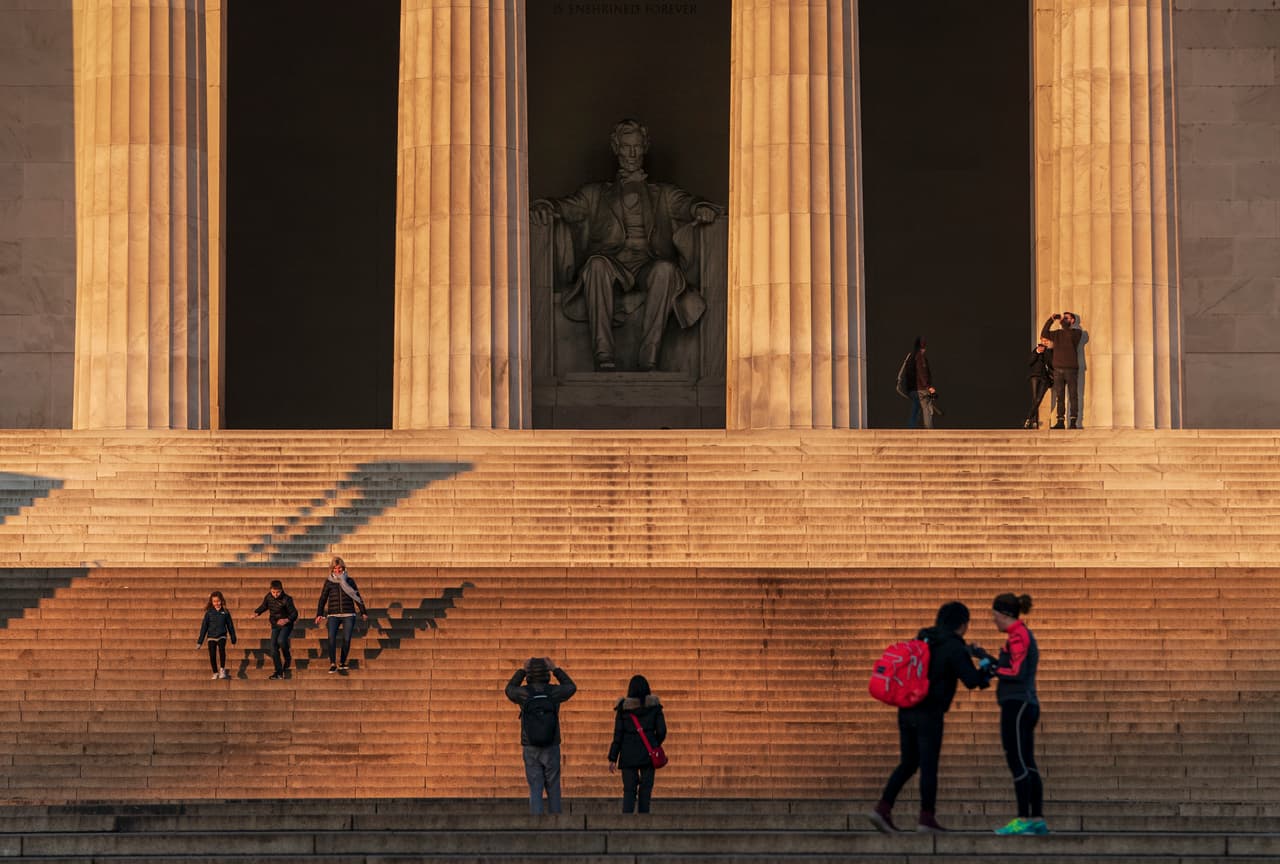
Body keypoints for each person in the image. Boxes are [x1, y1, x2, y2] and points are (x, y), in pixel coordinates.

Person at [530, 118, 722, 371]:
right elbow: (567, 206)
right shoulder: (595, 194)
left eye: (637, 147)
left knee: (666, 270)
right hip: (612, 263)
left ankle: (649, 356)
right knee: (595, 265)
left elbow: (687, 204)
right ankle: (603, 353)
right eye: (626, 147)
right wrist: (547, 206)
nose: (632, 153)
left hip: (647, 263)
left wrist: (701, 208)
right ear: (616, 148)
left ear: (644, 148)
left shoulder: (662, 193)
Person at [868, 601, 989, 834]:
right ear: (963, 625)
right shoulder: (954, 646)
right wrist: (985, 668)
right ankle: (926, 818)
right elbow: (973, 680)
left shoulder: (923, 640)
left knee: (909, 762)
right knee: (928, 765)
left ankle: (883, 808)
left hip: (906, 707)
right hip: (930, 713)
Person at [971, 593, 1046, 836]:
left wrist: (991, 667)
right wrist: (984, 656)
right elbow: (1011, 666)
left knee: (1017, 760)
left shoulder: (1018, 636)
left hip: (1018, 704)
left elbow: (1014, 671)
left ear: (1004, 615)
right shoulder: (1019, 635)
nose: (994, 621)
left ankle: (1024, 818)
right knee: (1027, 761)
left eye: (995, 616)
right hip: (1024, 703)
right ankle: (1036, 819)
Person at [505, 657, 577, 815]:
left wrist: (521, 671)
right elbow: (571, 687)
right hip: (551, 743)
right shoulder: (553, 692)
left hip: (530, 744)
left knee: (535, 786)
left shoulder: (524, 693)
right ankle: (556, 820)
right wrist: (556, 669)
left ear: (530, 674)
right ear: (546, 673)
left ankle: (536, 822)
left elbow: (509, 689)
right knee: (553, 785)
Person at [607, 674, 667, 814]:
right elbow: (662, 730)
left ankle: (627, 822)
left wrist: (612, 758)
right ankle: (643, 821)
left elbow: (618, 735)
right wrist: (654, 743)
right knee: (645, 789)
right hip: (648, 753)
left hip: (628, 754)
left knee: (629, 790)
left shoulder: (623, 709)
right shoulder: (655, 707)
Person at [314, 556, 367, 673]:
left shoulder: (350, 581)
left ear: (343, 568)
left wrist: (363, 611)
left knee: (346, 639)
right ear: (332, 569)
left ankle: (342, 662)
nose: (337, 571)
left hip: (349, 614)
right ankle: (333, 663)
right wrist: (319, 613)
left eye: (340, 568)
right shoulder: (328, 582)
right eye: (335, 568)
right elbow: (323, 598)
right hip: (333, 614)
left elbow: (357, 596)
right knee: (331, 638)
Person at [1040, 312, 1082, 428]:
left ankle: (1073, 421)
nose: (1063, 319)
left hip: (1071, 369)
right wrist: (1051, 319)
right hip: (1058, 369)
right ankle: (1060, 421)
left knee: (1073, 395)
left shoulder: (1076, 333)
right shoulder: (1057, 334)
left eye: (1066, 318)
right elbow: (1044, 333)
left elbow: (1070, 332)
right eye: (1063, 317)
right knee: (1060, 396)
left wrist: (1063, 322)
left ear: (1072, 321)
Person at [254, 579, 299, 679]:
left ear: (282, 590)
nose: (275, 594)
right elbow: (264, 606)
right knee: (273, 649)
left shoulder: (287, 599)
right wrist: (257, 612)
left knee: (281, 640)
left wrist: (286, 620)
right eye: (273, 592)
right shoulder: (268, 597)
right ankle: (278, 672)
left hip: (286, 624)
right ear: (270, 590)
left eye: (278, 592)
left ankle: (287, 657)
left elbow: (294, 614)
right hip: (275, 624)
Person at [897, 337, 938, 429]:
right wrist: (928, 387)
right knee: (927, 408)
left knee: (916, 407)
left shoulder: (911, 356)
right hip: (921, 389)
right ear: (922, 347)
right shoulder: (920, 357)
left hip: (912, 390)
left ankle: (911, 428)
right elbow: (922, 372)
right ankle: (929, 430)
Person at [196, 590, 237, 680]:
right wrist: (200, 641)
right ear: (211, 602)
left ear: (222, 601)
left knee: (222, 649)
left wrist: (233, 638)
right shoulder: (209, 613)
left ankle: (222, 669)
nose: (217, 603)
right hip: (211, 636)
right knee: (212, 654)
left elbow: (230, 625)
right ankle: (215, 672)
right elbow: (204, 627)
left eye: (218, 601)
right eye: (214, 601)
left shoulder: (225, 612)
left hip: (222, 635)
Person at [1024, 337, 1053, 429]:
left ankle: (1028, 418)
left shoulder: (1048, 352)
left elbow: (1050, 365)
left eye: (1046, 341)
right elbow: (1030, 362)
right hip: (1035, 377)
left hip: (1044, 378)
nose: (1044, 343)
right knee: (1035, 399)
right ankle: (1034, 421)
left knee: (1038, 399)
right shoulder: (1035, 351)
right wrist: (1037, 352)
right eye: (1043, 341)